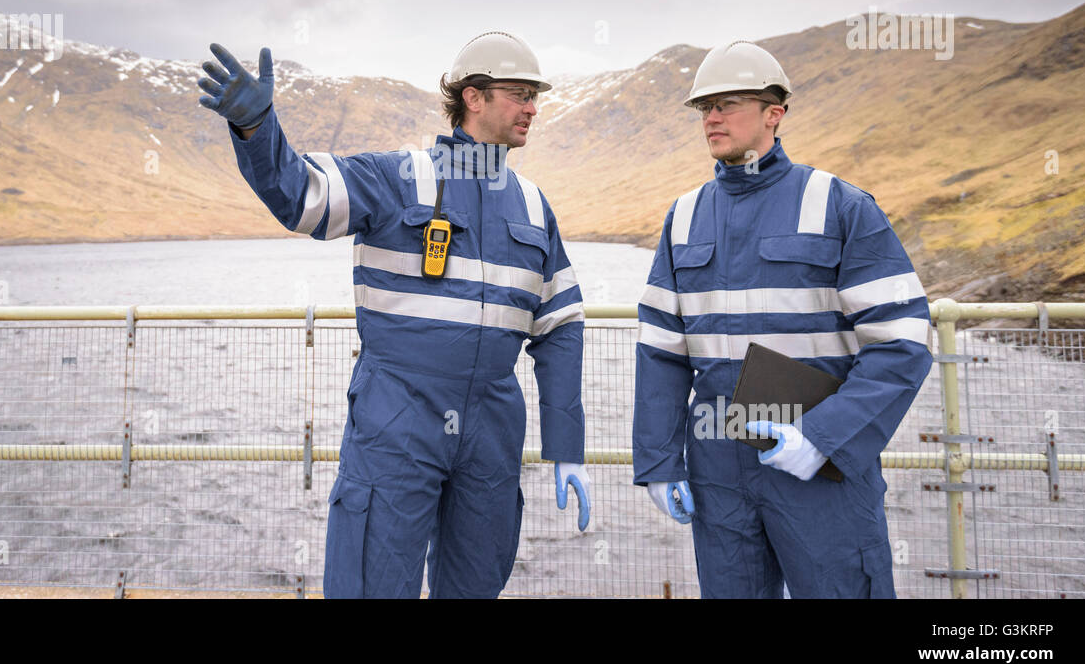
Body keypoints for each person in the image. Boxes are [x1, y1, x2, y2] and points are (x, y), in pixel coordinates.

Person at [197, 31, 592, 598]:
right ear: (474, 97)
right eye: (520, 93)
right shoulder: (395, 178)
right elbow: (301, 196)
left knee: (477, 584)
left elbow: (559, 326)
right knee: (374, 582)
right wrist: (257, 130)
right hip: (398, 419)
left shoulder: (532, 204)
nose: (533, 107)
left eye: (536, 95)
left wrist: (566, 444)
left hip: (491, 430)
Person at [632, 39, 932, 598]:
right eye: (704, 107)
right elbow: (661, 352)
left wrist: (820, 439)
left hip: (819, 469)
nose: (712, 117)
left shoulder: (840, 206)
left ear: (776, 113)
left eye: (729, 104)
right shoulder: (684, 218)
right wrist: (659, 461)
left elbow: (903, 340)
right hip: (718, 465)